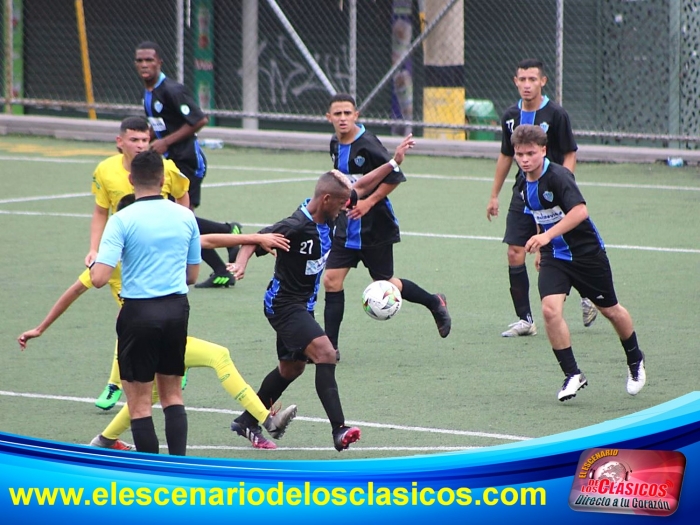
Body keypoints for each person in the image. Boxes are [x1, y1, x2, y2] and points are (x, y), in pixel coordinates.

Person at [18, 199, 296, 451]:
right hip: (149, 330)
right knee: (214, 358)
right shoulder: (125, 253)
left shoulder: (134, 245)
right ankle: (265, 419)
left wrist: (254, 237)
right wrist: (40, 328)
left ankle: (104, 440)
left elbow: (206, 240)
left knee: (148, 395)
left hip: (149, 330)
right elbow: (79, 288)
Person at [212, 136, 415, 452]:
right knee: (325, 353)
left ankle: (247, 421)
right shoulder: (296, 226)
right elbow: (255, 239)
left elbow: (361, 186)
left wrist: (392, 163)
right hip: (283, 305)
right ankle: (339, 430)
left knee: (291, 369)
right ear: (326, 200)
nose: (348, 207)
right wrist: (241, 263)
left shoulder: (333, 207)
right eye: (343, 203)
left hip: (303, 305)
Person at [511, 124, 646, 401]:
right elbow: (540, 214)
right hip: (554, 256)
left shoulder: (559, 176)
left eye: (530, 153)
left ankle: (635, 359)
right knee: (550, 311)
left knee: (611, 311)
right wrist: (541, 247)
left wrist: (546, 236)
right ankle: (572, 374)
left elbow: (580, 211)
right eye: (519, 154)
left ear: (543, 151)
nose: (524, 159)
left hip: (586, 255)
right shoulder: (523, 183)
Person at [323, 93, 451, 362]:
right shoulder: (334, 142)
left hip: (375, 227)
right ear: (329, 117)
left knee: (386, 282)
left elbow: (393, 176)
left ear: (356, 115)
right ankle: (329, 348)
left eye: (348, 113)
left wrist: (368, 202)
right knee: (331, 281)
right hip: (346, 226)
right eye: (338, 114)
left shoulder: (368, 144)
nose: (343, 118)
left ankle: (434, 302)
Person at [89, 150, 200, 455]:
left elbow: (99, 278)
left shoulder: (121, 220)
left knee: (139, 405)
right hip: (176, 309)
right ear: (163, 180)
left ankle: (151, 472)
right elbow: (192, 275)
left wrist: (96, 261)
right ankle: (178, 467)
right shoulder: (186, 216)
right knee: (173, 396)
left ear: (130, 180)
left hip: (139, 312)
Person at [85, 116, 192, 411]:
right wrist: (94, 249)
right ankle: (126, 379)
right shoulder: (105, 170)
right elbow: (100, 211)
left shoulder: (165, 168)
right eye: (134, 140)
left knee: (142, 319)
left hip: (157, 263)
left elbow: (183, 199)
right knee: (131, 321)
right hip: (121, 265)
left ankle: (121, 381)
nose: (141, 145)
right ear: (120, 142)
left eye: (145, 139)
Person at [486, 59, 598, 337]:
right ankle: (525, 320)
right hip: (523, 192)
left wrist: (564, 186)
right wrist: (494, 195)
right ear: (515, 82)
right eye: (522, 79)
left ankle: (589, 294)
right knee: (515, 251)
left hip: (552, 194)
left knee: (562, 250)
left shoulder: (556, 114)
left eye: (532, 79)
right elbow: (506, 155)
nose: (527, 85)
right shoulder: (510, 116)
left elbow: (570, 153)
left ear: (543, 82)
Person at [135, 40, 241, 288]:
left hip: (188, 161)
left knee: (183, 219)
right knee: (183, 218)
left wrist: (165, 142)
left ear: (159, 62)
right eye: (139, 60)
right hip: (170, 163)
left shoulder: (172, 90)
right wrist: (148, 140)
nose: (144, 64)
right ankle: (227, 242)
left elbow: (199, 119)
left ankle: (227, 241)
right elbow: (161, 124)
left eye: (149, 60)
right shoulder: (148, 93)